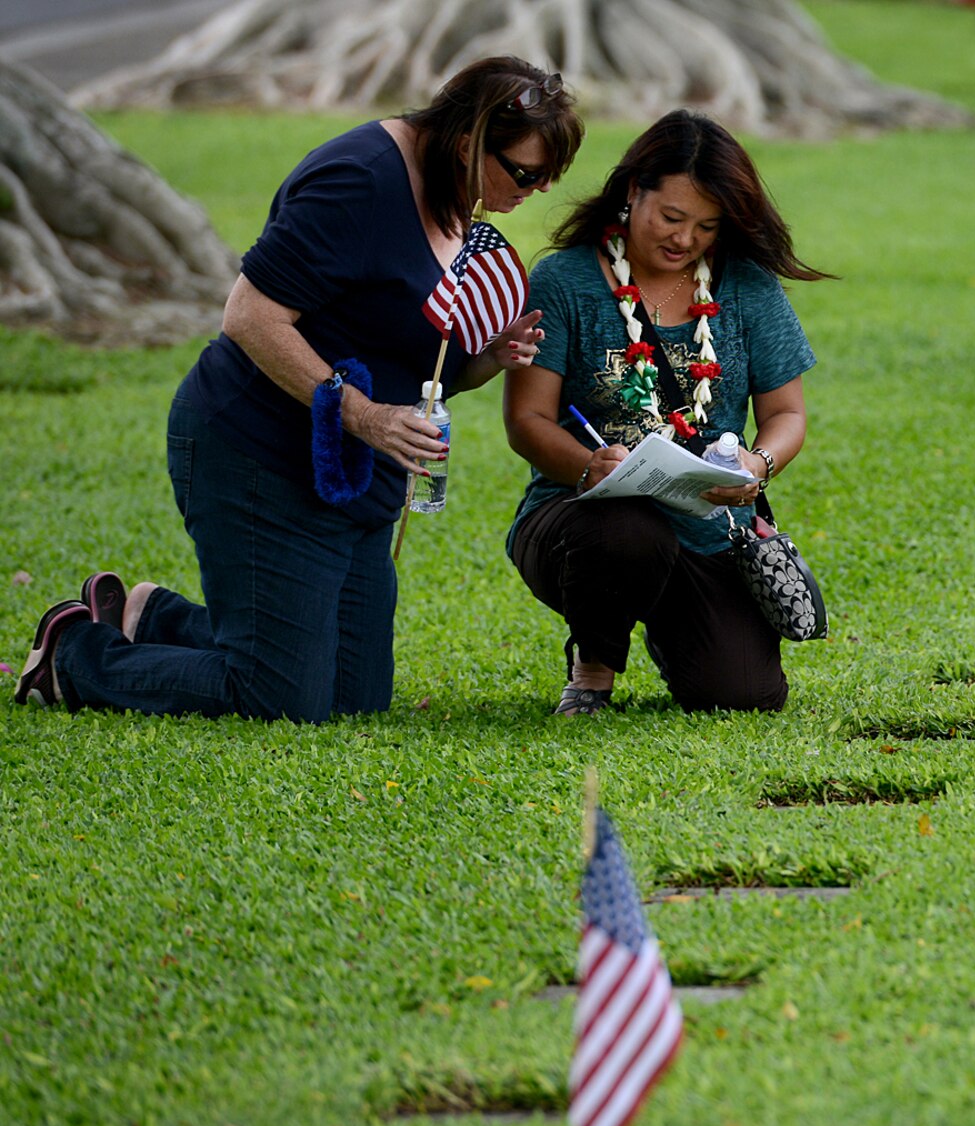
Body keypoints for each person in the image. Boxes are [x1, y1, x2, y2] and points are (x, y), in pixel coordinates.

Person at [12, 58, 582, 721]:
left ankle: (152, 616)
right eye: (526, 172)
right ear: (469, 143)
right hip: (257, 452)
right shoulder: (360, 181)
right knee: (281, 697)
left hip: (352, 481)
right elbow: (250, 315)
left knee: (353, 699)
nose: (537, 190)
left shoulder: (457, 196)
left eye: (550, 178)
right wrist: (363, 414)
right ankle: (73, 654)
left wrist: (490, 357)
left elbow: (410, 346)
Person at [502, 110, 826, 716]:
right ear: (632, 192)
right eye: (671, 217)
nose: (685, 240)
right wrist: (586, 466)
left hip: (709, 532)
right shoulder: (565, 280)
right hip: (583, 521)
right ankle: (593, 664)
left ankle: (672, 623)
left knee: (741, 696)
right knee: (628, 530)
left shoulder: (746, 285)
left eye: (706, 226)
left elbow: (787, 414)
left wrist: (759, 463)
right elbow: (527, 420)